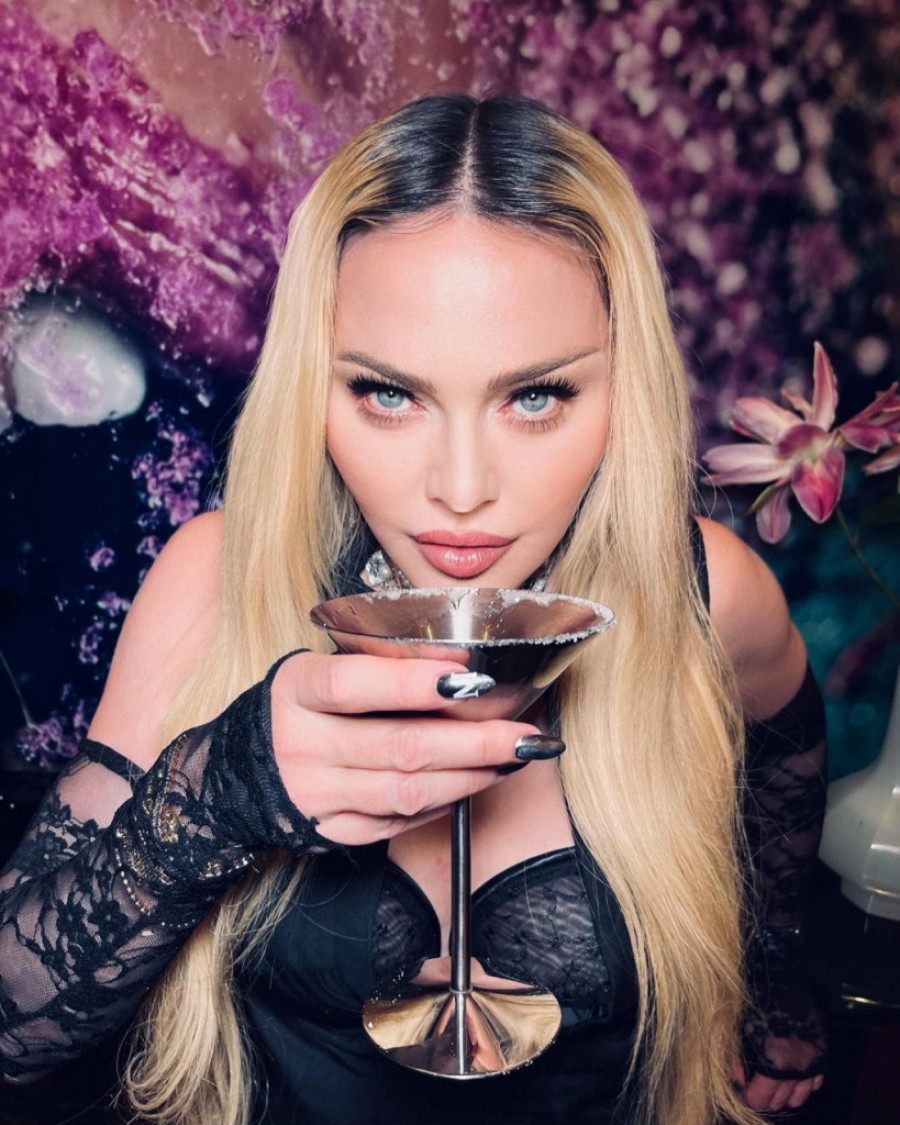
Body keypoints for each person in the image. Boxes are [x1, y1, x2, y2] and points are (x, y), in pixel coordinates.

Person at [0, 95, 827, 1125]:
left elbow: (791, 756)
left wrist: (775, 982)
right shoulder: (215, 584)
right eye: (389, 394)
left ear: (626, 385)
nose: (462, 490)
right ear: (316, 383)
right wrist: (217, 796)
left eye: (536, 396)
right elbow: (10, 1033)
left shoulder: (708, 592)